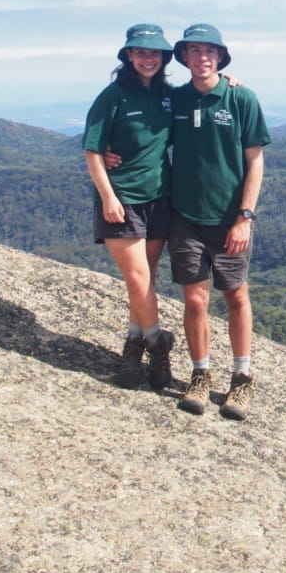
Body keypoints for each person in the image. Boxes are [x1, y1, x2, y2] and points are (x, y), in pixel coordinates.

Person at [167, 23, 270, 420]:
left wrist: (245, 217)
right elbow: (141, 133)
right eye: (194, 51)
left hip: (229, 219)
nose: (202, 57)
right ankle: (200, 373)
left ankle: (241, 378)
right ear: (184, 57)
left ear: (221, 57)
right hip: (186, 216)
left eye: (209, 50)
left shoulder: (241, 98)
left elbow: (255, 161)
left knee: (236, 296)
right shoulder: (174, 100)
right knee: (195, 299)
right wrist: (109, 154)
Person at [83, 24, 177, 389]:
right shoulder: (113, 95)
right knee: (138, 279)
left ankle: (131, 351)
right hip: (121, 200)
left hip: (159, 197)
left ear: (164, 57)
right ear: (128, 56)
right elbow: (92, 149)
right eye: (141, 52)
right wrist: (108, 196)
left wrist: (230, 80)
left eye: (154, 53)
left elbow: (205, 94)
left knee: (145, 283)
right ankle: (159, 346)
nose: (148, 58)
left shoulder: (168, 95)